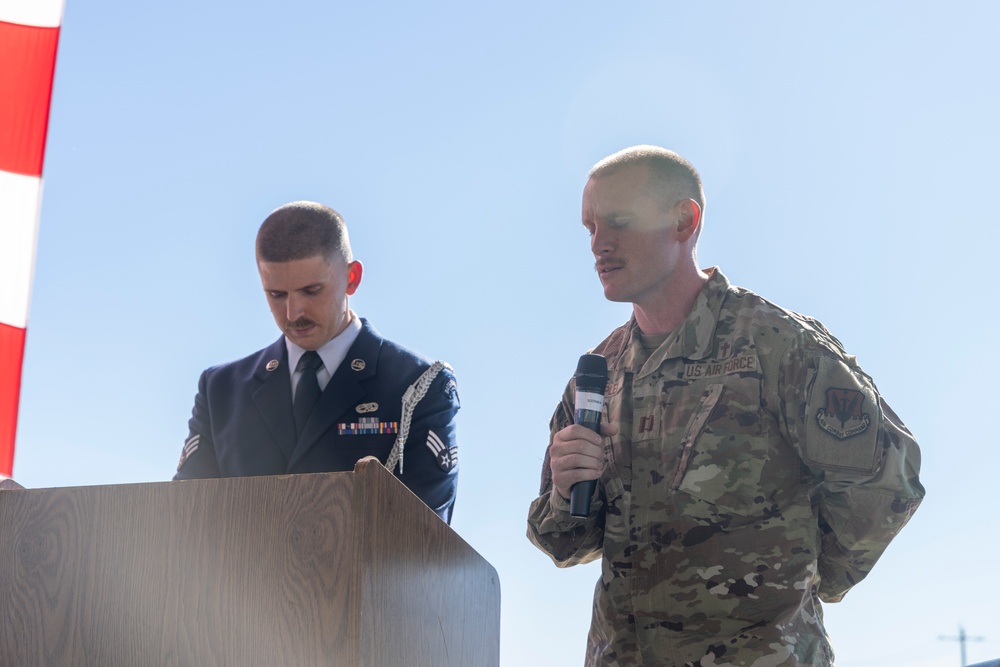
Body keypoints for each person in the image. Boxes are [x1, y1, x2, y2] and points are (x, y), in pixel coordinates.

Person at [526, 146, 924, 666]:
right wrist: (563, 493)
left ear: (684, 221)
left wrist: (799, 582)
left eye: (619, 221)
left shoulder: (776, 346)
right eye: (590, 227)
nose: (599, 243)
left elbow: (887, 480)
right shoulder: (595, 378)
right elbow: (563, 544)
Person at [175, 201, 459, 523]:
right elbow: (187, 522)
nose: (293, 313)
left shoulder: (417, 386)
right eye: (276, 295)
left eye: (311, 291)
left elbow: (425, 537)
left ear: (351, 278)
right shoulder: (222, 391)